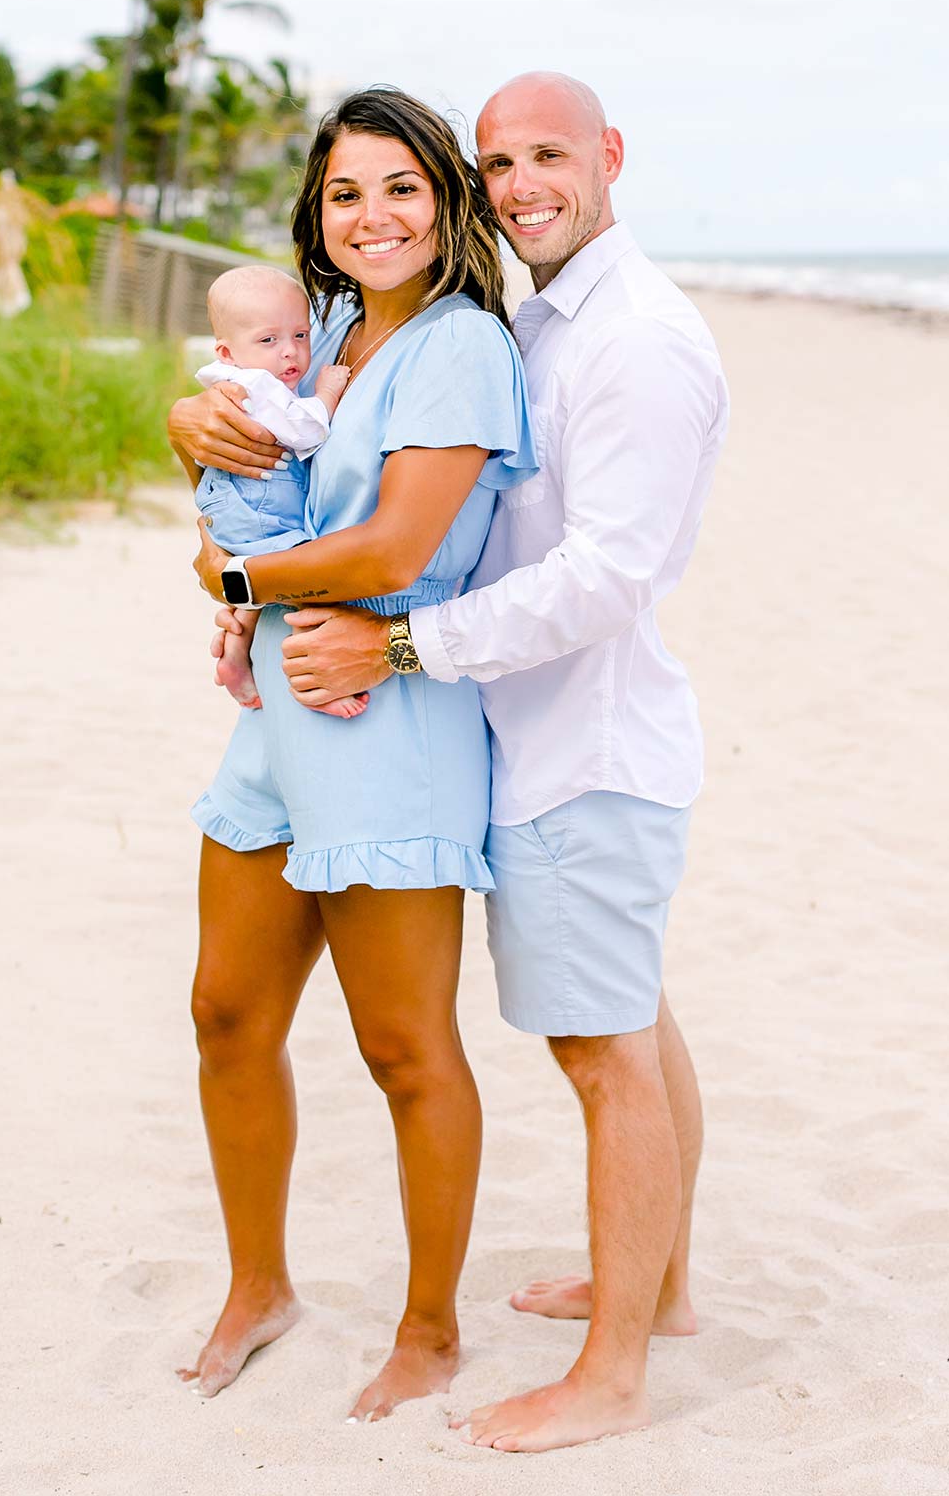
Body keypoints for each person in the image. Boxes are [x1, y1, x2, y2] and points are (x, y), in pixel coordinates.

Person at [271, 71, 730, 1453]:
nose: (520, 182)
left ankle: (612, 1371)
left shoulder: (635, 338)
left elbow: (604, 576)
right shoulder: (540, 317)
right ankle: (664, 1285)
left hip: (582, 744)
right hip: (543, 739)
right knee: (633, 1015)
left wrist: (403, 651)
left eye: (547, 155)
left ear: (609, 155)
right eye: (496, 161)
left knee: (603, 1056)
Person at [165, 87, 536, 1419]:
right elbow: (226, 462)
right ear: (316, 215)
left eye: (397, 186)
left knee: (401, 1045)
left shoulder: (457, 347)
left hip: (383, 711)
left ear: (445, 197)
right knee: (224, 1010)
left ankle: (430, 1327)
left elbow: (388, 550)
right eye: (343, 193)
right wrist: (188, 445)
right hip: (276, 720)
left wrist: (235, 575)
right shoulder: (318, 329)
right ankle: (256, 1281)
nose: (370, 215)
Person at [189, 264, 360, 716]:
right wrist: (326, 393)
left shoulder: (236, 376)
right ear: (227, 350)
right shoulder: (257, 385)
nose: (290, 354)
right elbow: (304, 432)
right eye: (269, 340)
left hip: (235, 500)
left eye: (300, 336)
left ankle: (234, 653)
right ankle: (317, 680)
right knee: (303, 579)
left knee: (254, 587)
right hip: (259, 503)